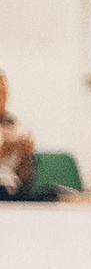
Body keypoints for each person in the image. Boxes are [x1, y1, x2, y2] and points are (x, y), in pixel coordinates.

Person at [0, 69, 38, 199]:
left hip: (11, 188)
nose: (1, 99)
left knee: (49, 193)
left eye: (4, 93)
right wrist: (5, 149)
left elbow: (24, 180)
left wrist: (26, 156)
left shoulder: (10, 122)